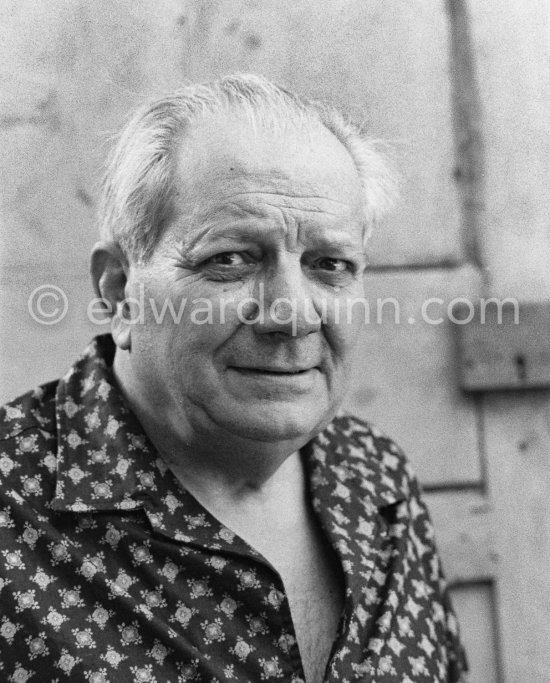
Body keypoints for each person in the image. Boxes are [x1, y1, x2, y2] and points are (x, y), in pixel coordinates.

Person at [0, 74, 467, 682]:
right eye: (230, 259)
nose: (294, 314)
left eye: (331, 265)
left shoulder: (378, 478)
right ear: (119, 292)